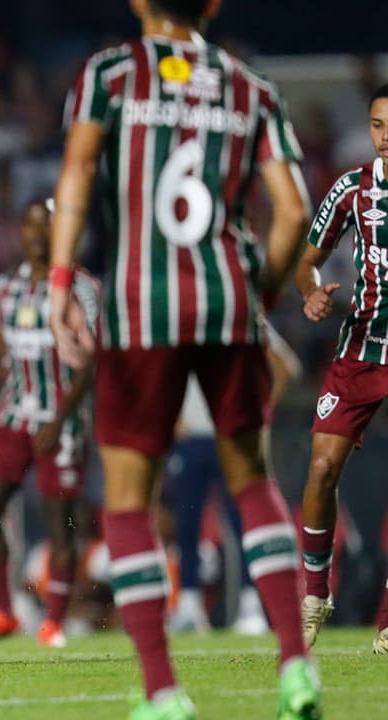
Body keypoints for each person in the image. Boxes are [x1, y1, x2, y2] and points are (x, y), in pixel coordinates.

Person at [47, 1, 321, 717]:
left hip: (142, 308)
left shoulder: (109, 75)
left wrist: (59, 281)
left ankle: (164, 693)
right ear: (213, 4)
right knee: (254, 483)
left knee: (129, 497)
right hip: (229, 303)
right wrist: (254, 294)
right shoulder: (252, 88)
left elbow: (76, 173)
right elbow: (292, 212)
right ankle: (297, 669)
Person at [0, 199, 97, 649]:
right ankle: (3, 612)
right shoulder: (5, 288)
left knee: (59, 522)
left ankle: (54, 621)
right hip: (10, 414)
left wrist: (61, 419)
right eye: (31, 225)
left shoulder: (80, 289)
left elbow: (93, 360)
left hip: (60, 420)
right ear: (20, 232)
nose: (38, 235)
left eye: (48, 226)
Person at [292, 82, 388, 656]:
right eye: (377, 124)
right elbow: (307, 263)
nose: (386, 135)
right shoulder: (352, 188)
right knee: (322, 467)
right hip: (362, 346)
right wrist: (310, 294)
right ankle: (314, 594)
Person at [166, 324, 301, 636]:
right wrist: (171, 414)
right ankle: (188, 604)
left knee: (242, 523)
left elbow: (287, 365)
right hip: (193, 437)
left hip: (231, 435)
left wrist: (259, 409)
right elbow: (161, 370)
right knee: (186, 525)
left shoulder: (241, 307)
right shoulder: (181, 312)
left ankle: (250, 604)